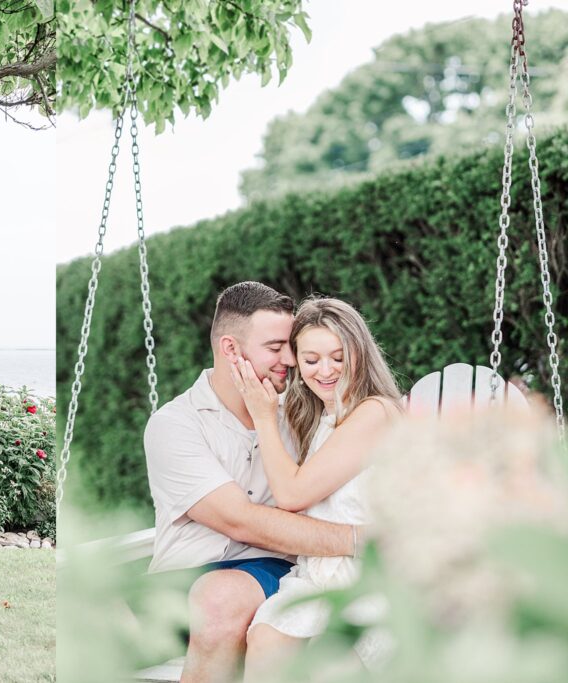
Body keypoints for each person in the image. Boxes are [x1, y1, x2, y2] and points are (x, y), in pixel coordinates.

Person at [144, 282, 358, 683]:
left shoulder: (300, 414)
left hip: (269, 568)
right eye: (276, 348)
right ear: (230, 349)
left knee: (219, 599)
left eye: (290, 347)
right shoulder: (175, 424)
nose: (290, 360)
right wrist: (356, 539)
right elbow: (238, 520)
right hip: (183, 575)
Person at [231, 297, 402, 680]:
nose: (325, 371)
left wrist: (262, 416)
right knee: (265, 642)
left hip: (371, 582)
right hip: (315, 576)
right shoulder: (319, 417)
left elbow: (292, 496)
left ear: (360, 353)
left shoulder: (377, 412)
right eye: (311, 360)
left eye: (338, 357)